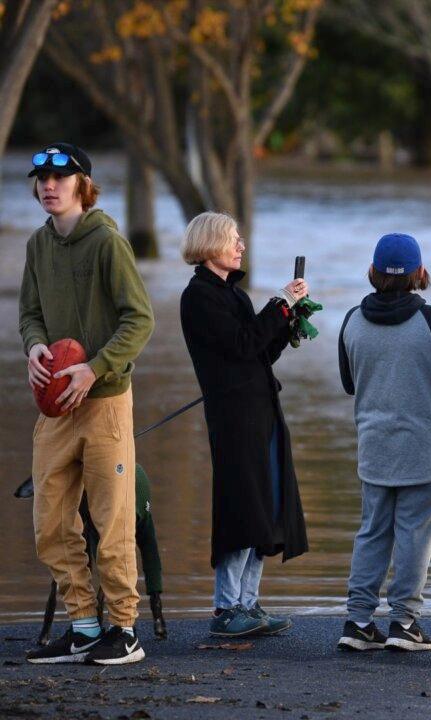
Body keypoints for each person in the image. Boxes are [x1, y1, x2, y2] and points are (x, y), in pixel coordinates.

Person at [20, 143, 155, 665]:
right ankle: (82, 625)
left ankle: (124, 629)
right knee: (50, 523)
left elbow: (140, 319)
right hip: (55, 408)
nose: (48, 186)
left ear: (83, 185)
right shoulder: (38, 244)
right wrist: (35, 346)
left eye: (60, 178)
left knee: (113, 522)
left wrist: (95, 367)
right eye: (41, 179)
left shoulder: (108, 243)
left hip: (105, 403)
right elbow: (30, 313)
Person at [179, 212, 309, 638]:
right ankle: (226, 608)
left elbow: (258, 353)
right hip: (234, 419)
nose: (241, 246)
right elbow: (240, 344)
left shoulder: (232, 294)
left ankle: (249, 604)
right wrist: (279, 304)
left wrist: (286, 322)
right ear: (211, 245)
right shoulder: (199, 296)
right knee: (241, 507)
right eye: (233, 239)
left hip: (262, 412)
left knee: (264, 508)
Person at [336, 233, 431, 653]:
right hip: (425, 452)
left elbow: (350, 384)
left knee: (372, 532)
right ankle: (404, 623)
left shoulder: (352, 320)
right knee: (414, 536)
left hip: (373, 448)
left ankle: (358, 622)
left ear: (373, 272)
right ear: (419, 273)